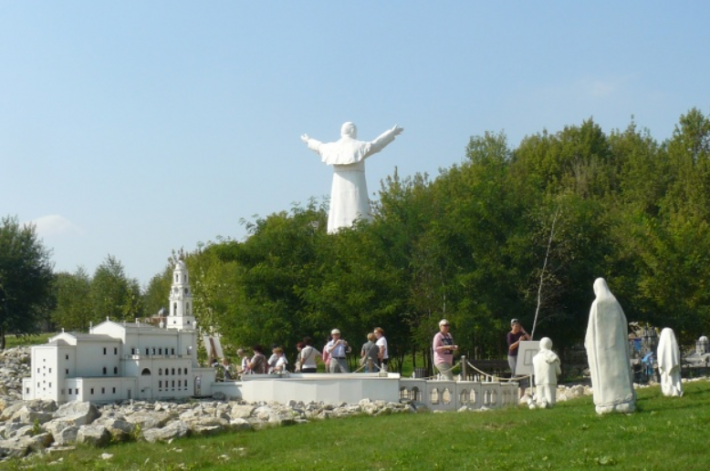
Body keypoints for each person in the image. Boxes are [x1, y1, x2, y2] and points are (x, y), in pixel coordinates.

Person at [301, 122, 404, 233]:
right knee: (358, 208)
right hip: (356, 182)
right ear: (353, 131)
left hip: (339, 183)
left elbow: (319, 146)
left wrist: (309, 141)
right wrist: (391, 133)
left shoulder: (332, 147)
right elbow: (376, 145)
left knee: (339, 210)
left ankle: (337, 231)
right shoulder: (359, 146)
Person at [585, 277, 636, 414]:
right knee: (619, 372)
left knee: (605, 375)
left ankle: (606, 403)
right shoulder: (615, 303)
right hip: (617, 349)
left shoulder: (596, 304)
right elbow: (623, 324)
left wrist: (589, 343)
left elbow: (591, 331)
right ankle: (624, 402)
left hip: (601, 350)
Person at [532, 337, 561, 408]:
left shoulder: (535, 358)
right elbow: (559, 371)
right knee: (550, 399)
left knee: (540, 397)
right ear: (551, 345)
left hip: (538, 381)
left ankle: (540, 404)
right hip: (550, 380)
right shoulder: (553, 356)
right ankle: (549, 404)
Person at [507, 319, 530, 397]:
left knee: (523, 375)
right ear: (512, 326)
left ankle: (522, 396)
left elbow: (530, 339)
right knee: (515, 374)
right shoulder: (510, 335)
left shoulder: (521, 333)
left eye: (518, 326)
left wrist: (523, 331)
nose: (517, 328)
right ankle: (511, 393)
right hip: (513, 356)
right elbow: (511, 347)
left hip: (521, 355)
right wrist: (519, 341)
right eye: (515, 326)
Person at [657, 328, 682, 397]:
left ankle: (668, 391)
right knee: (674, 377)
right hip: (674, 368)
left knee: (666, 377)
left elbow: (660, 355)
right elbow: (677, 355)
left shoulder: (661, 344)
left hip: (665, 368)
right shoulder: (674, 343)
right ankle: (675, 390)